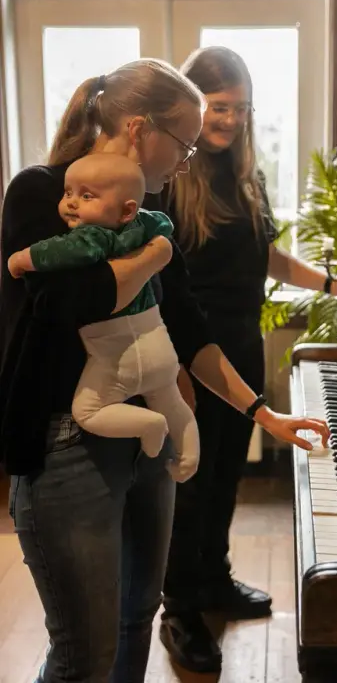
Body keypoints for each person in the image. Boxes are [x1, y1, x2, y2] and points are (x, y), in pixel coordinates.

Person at [0, 58, 329, 683]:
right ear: (138, 129)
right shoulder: (43, 192)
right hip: (65, 451)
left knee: (135, 618)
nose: (189, 158)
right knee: (83, 654)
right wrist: (153, 256)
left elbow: (190, 331)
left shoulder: (150, 213)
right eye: (184, 142)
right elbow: (69, 302)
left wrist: (264, 412)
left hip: (145, 439)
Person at [159, 46, 337, 674]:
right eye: (218, 107)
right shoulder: (175, 177)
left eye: (241, 108)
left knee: (227, 471)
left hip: (242, 346)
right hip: (191, 355)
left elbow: (268, 257)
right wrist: (173, 369)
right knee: (192, 485)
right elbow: (161, 289)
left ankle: (215, 578)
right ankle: (180, 609)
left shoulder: (246, 174)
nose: (229, 120)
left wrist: (335, 284)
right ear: (194, 106)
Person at [7, 153, 199, 482]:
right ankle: (189, 457)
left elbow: (64, 251)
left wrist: (23, 258)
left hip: (116, 355)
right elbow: (163, 224)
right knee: (172, 403)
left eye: (86, 196)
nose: (70, 203)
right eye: (68, 193)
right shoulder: (146, 224)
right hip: (158, 347)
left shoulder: (94, 235)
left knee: (88, 411)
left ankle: (148, 424)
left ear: (125, 209)